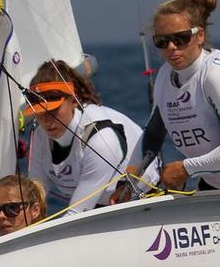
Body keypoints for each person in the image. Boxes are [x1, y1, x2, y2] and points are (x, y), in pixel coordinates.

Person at [115, 0, 220, 199]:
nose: (171, 48)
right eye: (161, 41)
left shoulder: (217, 74)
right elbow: (153, 135)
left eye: (181, 38)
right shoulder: (165, 77)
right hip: (211, 185)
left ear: (199, 36)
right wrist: (129, 181)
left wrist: (185, 168)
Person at [25, 60, 153, 214]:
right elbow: (36, 192)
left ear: (73, 101)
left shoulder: (100, 139)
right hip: (95, 208)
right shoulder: (41, 134)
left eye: (54, 110)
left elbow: (76, 213)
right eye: (39, 112)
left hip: (143, 204)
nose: (46, 120)